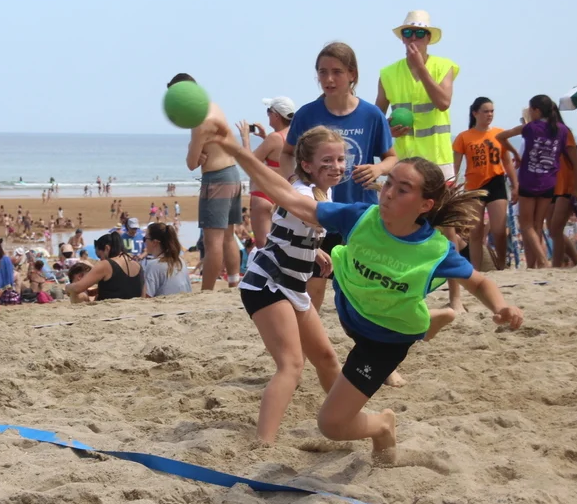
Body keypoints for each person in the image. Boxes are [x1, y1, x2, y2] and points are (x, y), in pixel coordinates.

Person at [210, 129, 523, 461]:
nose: (388, 194)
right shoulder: (359, 217)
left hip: (383, 339)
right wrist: (238, 152)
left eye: (402, 190)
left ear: (425, 205)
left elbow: (479, 282)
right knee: (327, 358)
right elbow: (288, 197)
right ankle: (427, 322)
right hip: (354, 312)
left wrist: (501, 306)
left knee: (331, 424)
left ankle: (383, 423)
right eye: (388, 184)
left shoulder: (434, 250)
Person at [239, 127, 345, 444]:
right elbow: (311, 216)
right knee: (292, 365)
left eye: (341, 159)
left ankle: (345, 419)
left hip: (292, 285)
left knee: (326, 358)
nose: (337, 166)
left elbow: (289, 232)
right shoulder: (303, 193)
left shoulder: (323, 191)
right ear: (307, 164)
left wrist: (315, 250)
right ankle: (264, 443)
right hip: (267, 283)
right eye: (328, 160)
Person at [284, 42, 397, 315]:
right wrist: (296, 182)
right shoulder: (307, 114)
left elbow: (392, 158)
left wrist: (378, 170)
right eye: (322, 72)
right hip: (320, 213)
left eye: (337, 72)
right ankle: (308, 333)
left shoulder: (371, 115)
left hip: (360, 211)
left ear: (352, 74)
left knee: (360, 283)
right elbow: (287, 153)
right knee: (314, 283)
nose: (329, 79)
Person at [377, 10, 466, 309]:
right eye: (407, 33)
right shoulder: (388, 74)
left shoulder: (444, 66)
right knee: (398, 226)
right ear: (402, 37)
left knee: (447, 228)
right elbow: (378, 119)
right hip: (404, 161)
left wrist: (421, 69)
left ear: (429, 38)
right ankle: (403, 293)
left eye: (419, 33)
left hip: (438, 159)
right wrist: (389, 128)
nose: (413, 38)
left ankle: (455, 297)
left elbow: (443, 102)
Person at [170, 72, 242, 290]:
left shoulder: (199, 120)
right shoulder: (214, 107)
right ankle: (233, 283)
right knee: (228, 236)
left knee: (213, 241)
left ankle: (207, 291)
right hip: (233, 173)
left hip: (217, 178)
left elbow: (191, 163)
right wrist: (198, 150)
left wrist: (193, 150)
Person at [496, 95, 577, 269]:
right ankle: (533, 266)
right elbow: (576, 160)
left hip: (529, 180)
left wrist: (516, 154)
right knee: (537, 226)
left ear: (536, 110)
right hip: (549, 182)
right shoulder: (562, 130)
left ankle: (542, 260)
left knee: (526, 225)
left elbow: (501, 136)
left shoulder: (530, 127)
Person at [452, 97, 516, 270]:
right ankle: (476, 269)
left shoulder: (499, 134)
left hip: (496, 182)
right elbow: (455, 165)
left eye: (492, 111)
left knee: (499, 230)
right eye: (486, 111)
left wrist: (515, 185)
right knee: (475, 232)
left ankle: (501, 265)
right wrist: (452, 186)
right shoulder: (464, 137)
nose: (490, 114)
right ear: (475, 113)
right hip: (473, 186)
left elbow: (507, 162)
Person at [236, 96, 295, 250]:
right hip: (284, 195)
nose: (267, 114)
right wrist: (265, 137)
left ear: (276, 115)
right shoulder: (294, 136)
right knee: (281, 245)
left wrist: (245, 138)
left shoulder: (274, 138)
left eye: (269, 111)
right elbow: (280, 156)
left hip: (264, 194)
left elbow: (249, 163)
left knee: (263, 246)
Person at [546, 108, 577, 268]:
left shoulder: (563, 132)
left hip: (566, 186)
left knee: (556, 229)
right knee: (552, 230)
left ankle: (557, 265)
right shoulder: (543, 134)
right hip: (552, 186)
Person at [66, 232, 143, 303]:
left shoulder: (106, 264)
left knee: (74, 293)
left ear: (107, 248)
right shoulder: (138, 265)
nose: (100, 260)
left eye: (100, 256)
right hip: (133, 305)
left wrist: (67, 287)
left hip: (110, 309)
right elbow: (125, 287)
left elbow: (77, 288)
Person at [142, 222, 192, 297]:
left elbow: (146, 297)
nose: (144, 242)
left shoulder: (153, 266)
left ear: (155, 242)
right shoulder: (180, 261)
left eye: (145, 239)